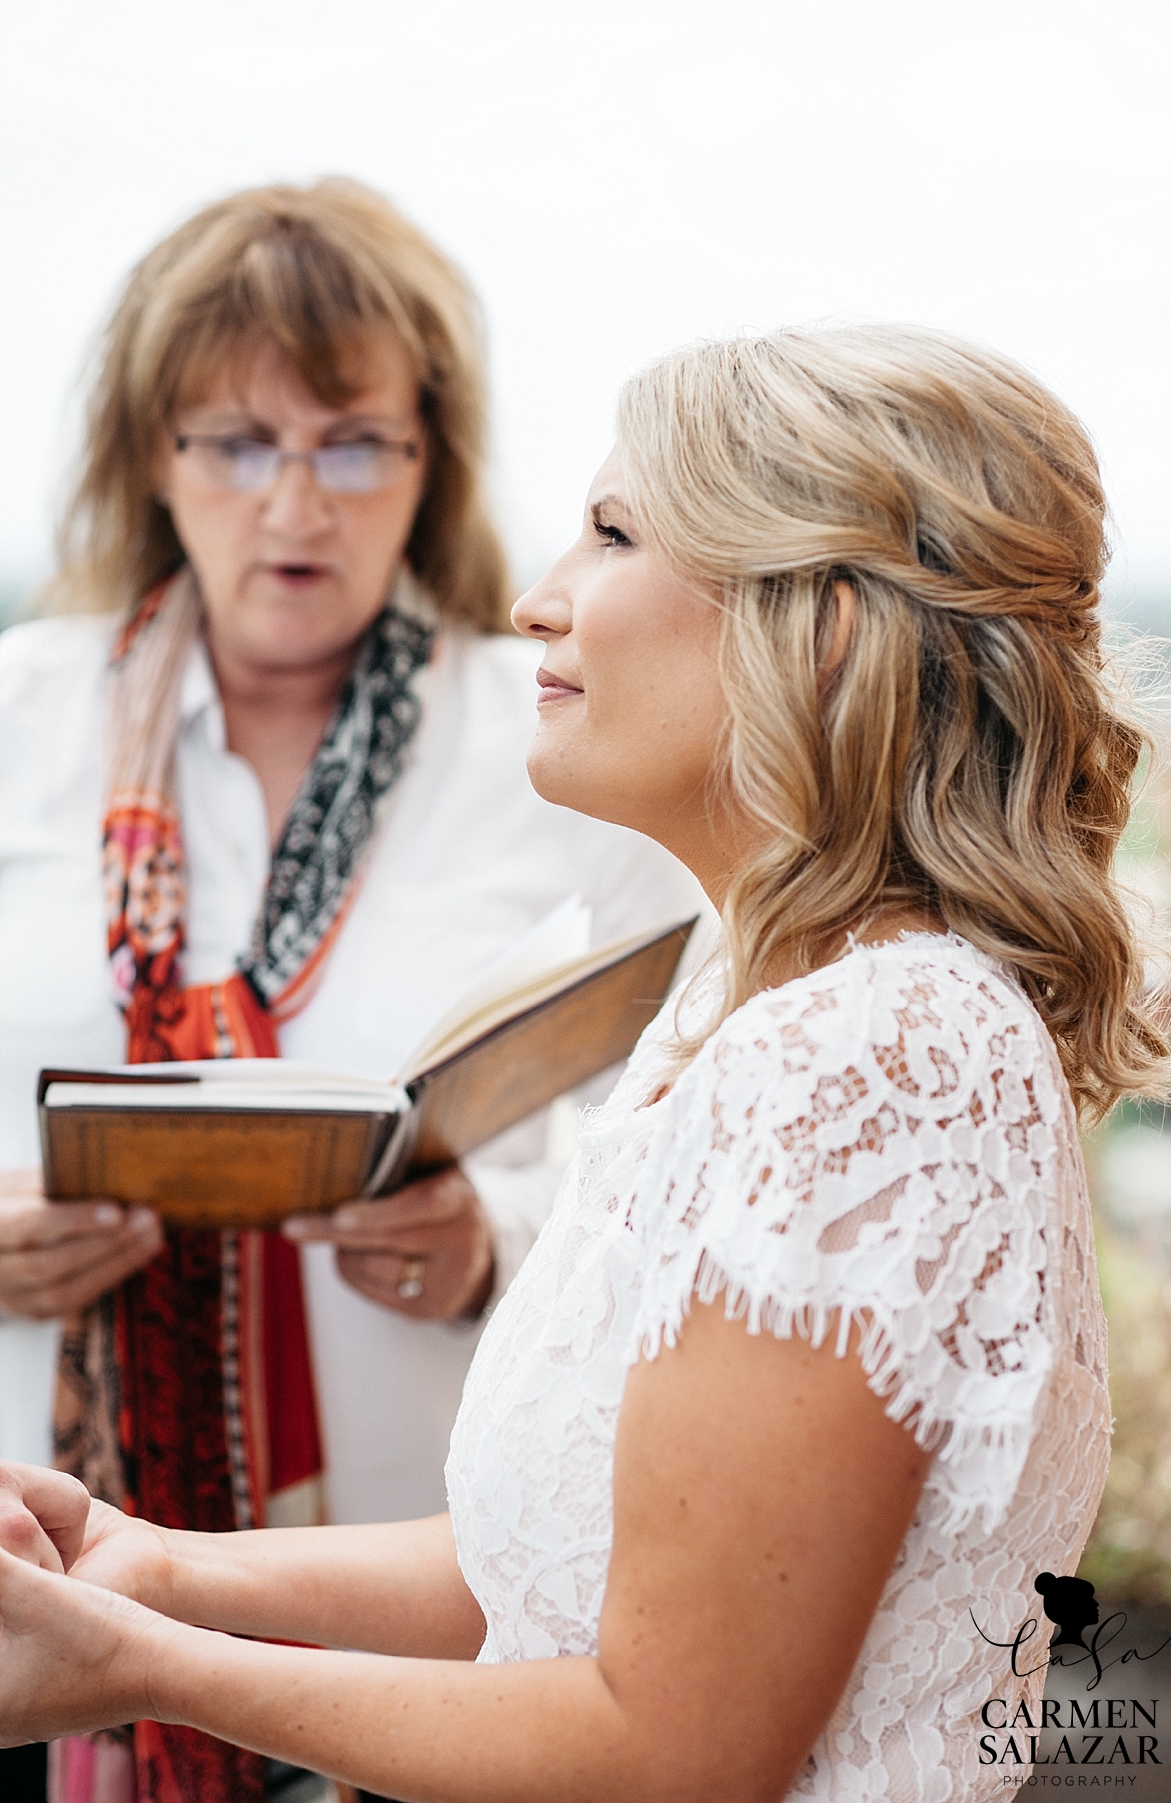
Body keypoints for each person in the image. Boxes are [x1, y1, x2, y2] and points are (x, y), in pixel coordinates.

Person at [0, 325, 1171, 1801]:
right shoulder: (739, 1005)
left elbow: (671, 1750)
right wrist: (147, 1566)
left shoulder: (876, 1061)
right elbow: (553, 1571)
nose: (533, 601)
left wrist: (134, 1665)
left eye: (613, 533)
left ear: (817, 624)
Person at [0, 180, 701, 1803]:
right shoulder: (19, 714)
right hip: (32, 1601)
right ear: (151, 456)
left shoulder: (565, 736)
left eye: (353, 440)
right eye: (237, 441)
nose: (294, 502)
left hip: (435, 1661)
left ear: (430, 460)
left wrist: (496, 1242)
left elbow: (691, 1136)